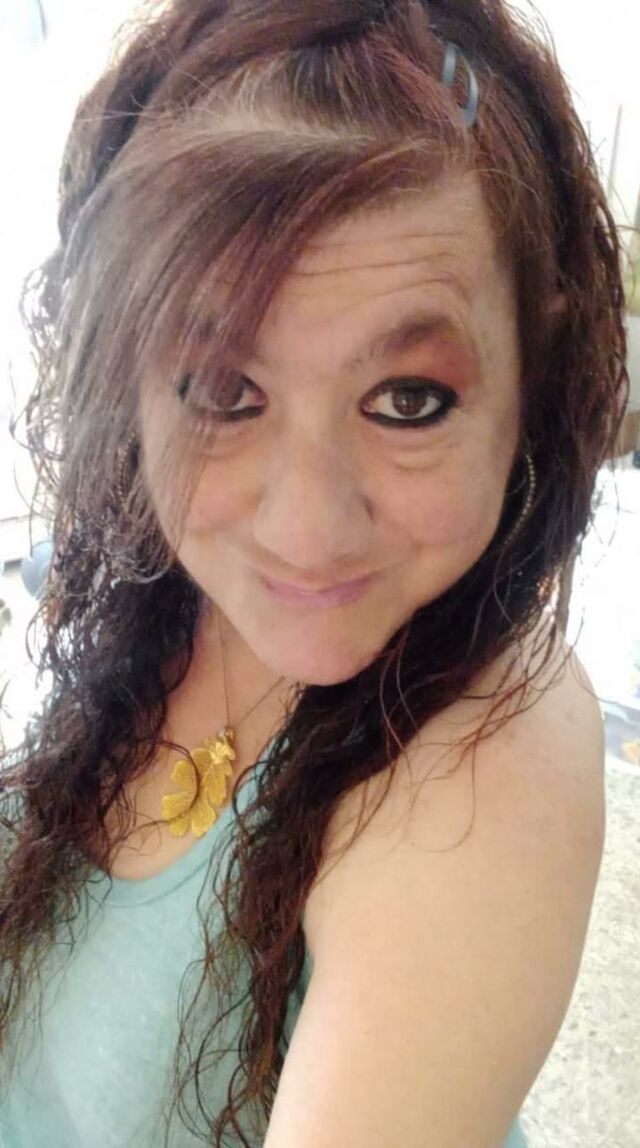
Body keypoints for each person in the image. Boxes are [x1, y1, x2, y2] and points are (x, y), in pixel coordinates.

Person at [0, 1, 626, 1146]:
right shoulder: (158, 590)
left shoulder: (493, 751)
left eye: (407, 400)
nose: (306, 527)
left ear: (528, 383)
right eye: (222, 392)